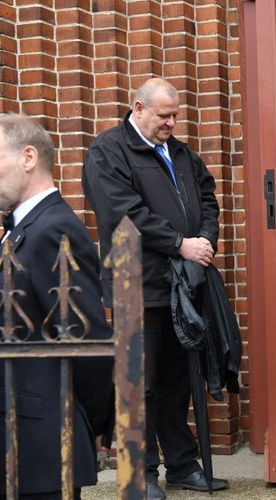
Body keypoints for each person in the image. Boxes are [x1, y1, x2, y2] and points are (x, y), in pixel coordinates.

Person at [82, 78, 228, 499]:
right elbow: (122, 213)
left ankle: (181, 464)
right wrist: (179, 243)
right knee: (138, 384)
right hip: (136, 286)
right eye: (164, 115)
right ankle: (139, 473)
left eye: (175, 115)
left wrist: (204, 241)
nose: (171, 122)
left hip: (184, 287)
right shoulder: (107, 151)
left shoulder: (181, 153)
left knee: (177, 381)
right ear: (139, 107)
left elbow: (208, 198)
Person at [0, 114, 114, 498]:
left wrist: (87, 421)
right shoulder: (19, 229)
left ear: (28, 157)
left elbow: (89, 343)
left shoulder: (55, 229)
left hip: (42, 442)